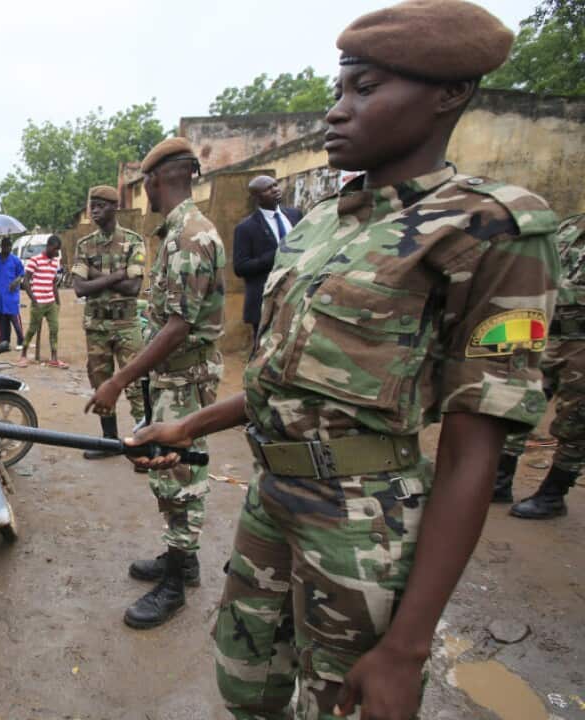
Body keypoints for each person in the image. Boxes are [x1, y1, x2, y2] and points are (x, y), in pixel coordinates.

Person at [129, 3, 558, 716]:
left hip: (365, 522)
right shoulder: (322, 222)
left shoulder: (498, 230)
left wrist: (407, 645)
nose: (336, 111)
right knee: (244, 685)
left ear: (450, 94)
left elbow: (471, 447)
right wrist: (186, 428)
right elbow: (285, 380)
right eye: (339, 91)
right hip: (272, 499)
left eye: (364, 90)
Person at [85, 137, 226, 629]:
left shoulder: (191, 235)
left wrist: (118, 380)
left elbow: (179, 326)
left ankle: (180, 577)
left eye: (143, 181)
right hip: (170, 376)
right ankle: (178, 560)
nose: (142, 189)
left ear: (157, 179)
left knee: (181, 473)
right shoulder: (174, 232)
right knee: (166, 468)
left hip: (185, 378)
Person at [492, 213, 585, 519]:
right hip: (547, 335)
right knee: (521, 405)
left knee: (575, 422)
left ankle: (552, 496)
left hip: (581, 344)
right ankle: (500, 481)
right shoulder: (570, 226)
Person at [72, 185, 147, 457]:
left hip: (126, 325)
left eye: (100, 206)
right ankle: (109, 441)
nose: (93, 211)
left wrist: (95, 275)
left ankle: (143, 443)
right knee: (101, 384)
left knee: (137, 385)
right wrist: (117, 276)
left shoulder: (134, 242)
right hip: (96, 327)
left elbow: (134, 288)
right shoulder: (84, 244)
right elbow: (79, 288)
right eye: (92, 206)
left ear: (114, 207)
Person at [232, 176, 302, 344]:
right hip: (265, 302)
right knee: (263, 350)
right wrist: (275, 255)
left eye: (275, 185)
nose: (275, 189)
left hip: (297, 294)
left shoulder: (295, 215)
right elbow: (240, 267)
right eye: (268, 189)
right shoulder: (246, 228)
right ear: (257, 198)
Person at [18, 235, 66, 368]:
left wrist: (58, 302)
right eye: (56, 250)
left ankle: (54, 358)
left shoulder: (55, 262)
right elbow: (25, 281)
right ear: (49, 247)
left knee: (54, 329)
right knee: (32, 329)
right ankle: (23, 355)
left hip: (51, 303)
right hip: (38, 303)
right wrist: (34, 299)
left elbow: (53, 283)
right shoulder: (35, 260)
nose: (57, 253)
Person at [0, 236, 25, 349]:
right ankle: (4, 342)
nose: (7, 248)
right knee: (2, 319)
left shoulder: (15, 260)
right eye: (5, 245)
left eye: (9, 246)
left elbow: (22, 274)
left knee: (14, 317)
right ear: (1, 246)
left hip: (11, 294)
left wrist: (16, 282)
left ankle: (21, 339)